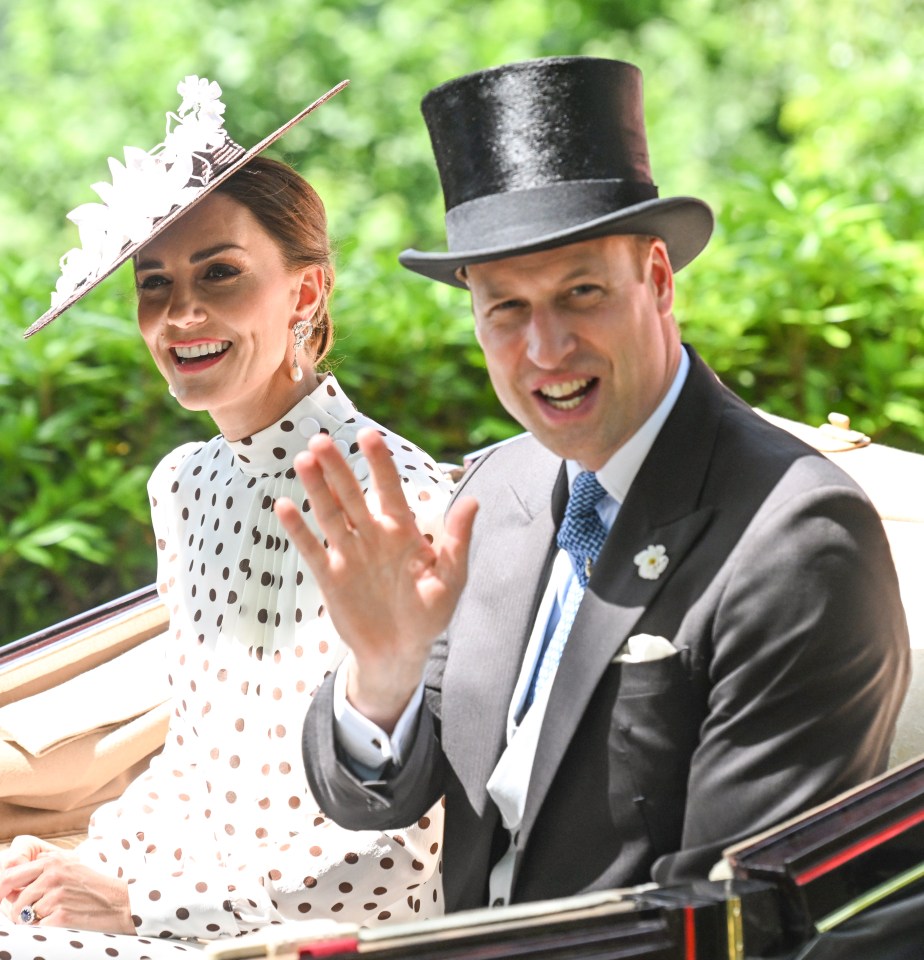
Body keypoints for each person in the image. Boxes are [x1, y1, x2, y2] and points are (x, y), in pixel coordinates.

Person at [283, 56, 911, 914]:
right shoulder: (496, 487)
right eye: (507, 309)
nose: (546, 350)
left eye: (580, 293)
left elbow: (737, 918)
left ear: (657, 278)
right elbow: (371, 797)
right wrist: (381, 677)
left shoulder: (798, 537)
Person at [0, 77, 451, 957]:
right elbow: (203, 768)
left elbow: (395, 865)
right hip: (171, 892)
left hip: (303, 934)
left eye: (221, 273)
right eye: (154, 283)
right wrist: (74, 866)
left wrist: (139, 908)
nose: (181, 315)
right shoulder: (184, 484)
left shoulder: (396, 499)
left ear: (306, 293)